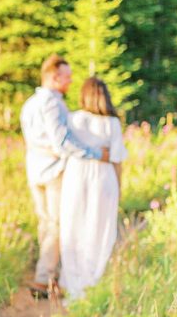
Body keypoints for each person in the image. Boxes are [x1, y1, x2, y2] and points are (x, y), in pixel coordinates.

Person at [19, 55, 110, 299]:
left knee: (46, 223)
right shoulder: (52, 103)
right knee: (58, 224)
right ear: (53, 76)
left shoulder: (30, 103)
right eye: (66, 76)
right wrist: (94, 154)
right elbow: (62, 142)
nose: (70, 81)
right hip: (54, 171)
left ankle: (46, 273)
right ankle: (45, 279)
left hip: (35, 170)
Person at [58, 77, 127, 300]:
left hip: (77, 175)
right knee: (99, 229)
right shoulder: (112, 123)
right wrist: (119, 186)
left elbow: (65, 148)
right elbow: (116, 158)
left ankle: (74, 282)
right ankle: (92, 280)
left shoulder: (74, 118)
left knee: (73, 226)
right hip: (103, 176)